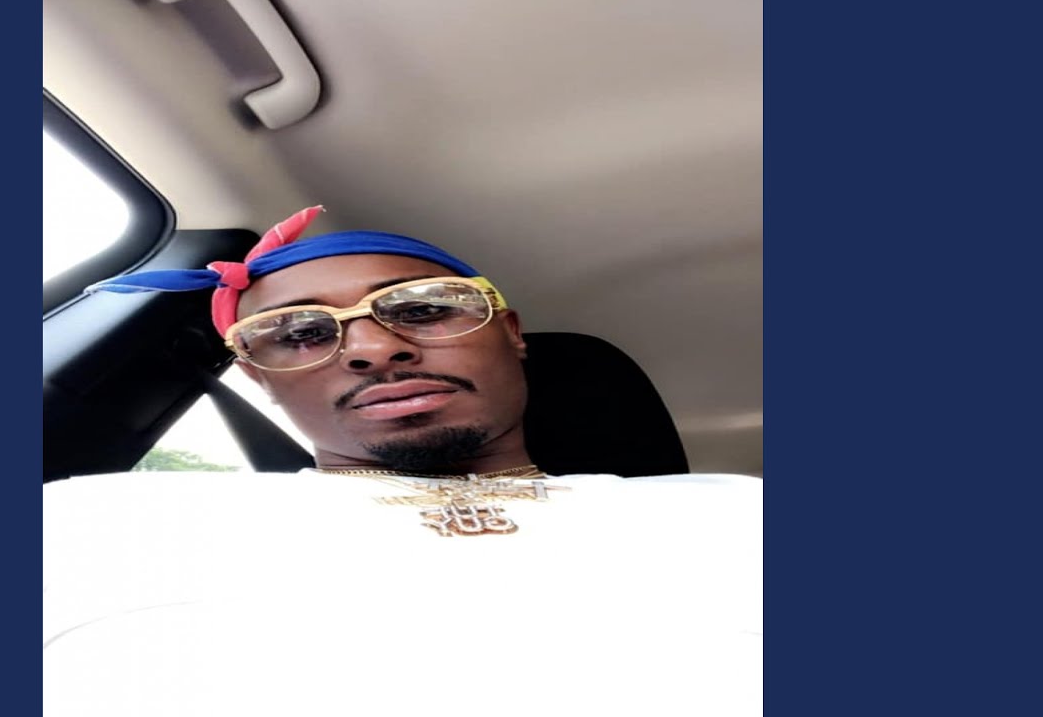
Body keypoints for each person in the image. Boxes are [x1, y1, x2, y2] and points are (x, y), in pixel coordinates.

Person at [44, 206, 762, 715]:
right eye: (298, 333)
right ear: (258, 377)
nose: (374, 348)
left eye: (421, 309)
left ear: (510, 332)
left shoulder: (738, 509)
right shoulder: (101, 522)